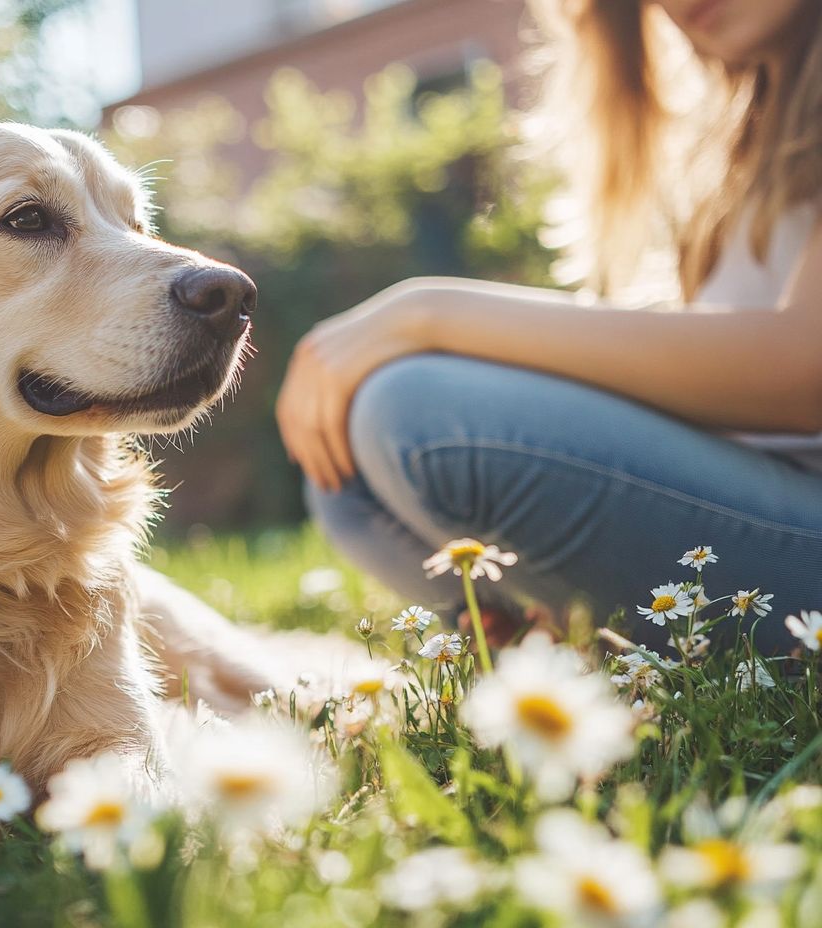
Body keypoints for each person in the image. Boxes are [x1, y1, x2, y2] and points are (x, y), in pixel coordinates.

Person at [276, 0, 822, 652]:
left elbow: (803, 370)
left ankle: (588, 648)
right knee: (345, 476)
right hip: (764, 509)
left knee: (418, 417)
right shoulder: (745, 133)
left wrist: (427, 314)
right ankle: (558, 652)